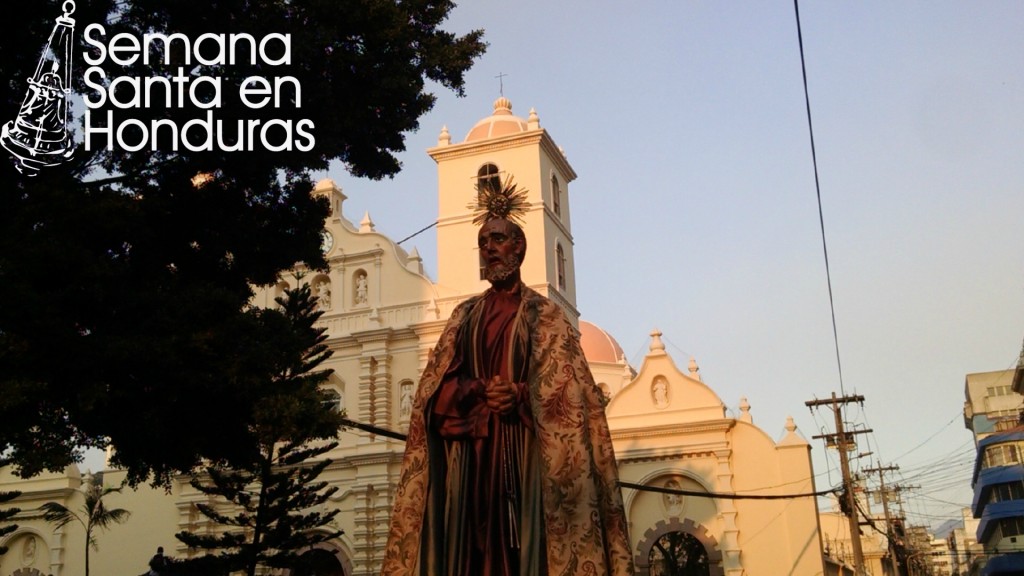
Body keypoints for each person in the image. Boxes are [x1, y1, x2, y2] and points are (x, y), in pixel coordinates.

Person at [381, 177, 634, 576]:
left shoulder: (545, 315)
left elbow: (571, 396)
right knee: (472, 554)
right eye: (483, 243)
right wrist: (479, 390)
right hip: (470, 463)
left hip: (527, 453)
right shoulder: (463, 316)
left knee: (526, 551)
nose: (490, 249)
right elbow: (432, 394)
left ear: (519, 246)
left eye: (498, 239)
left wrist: (519, 396)